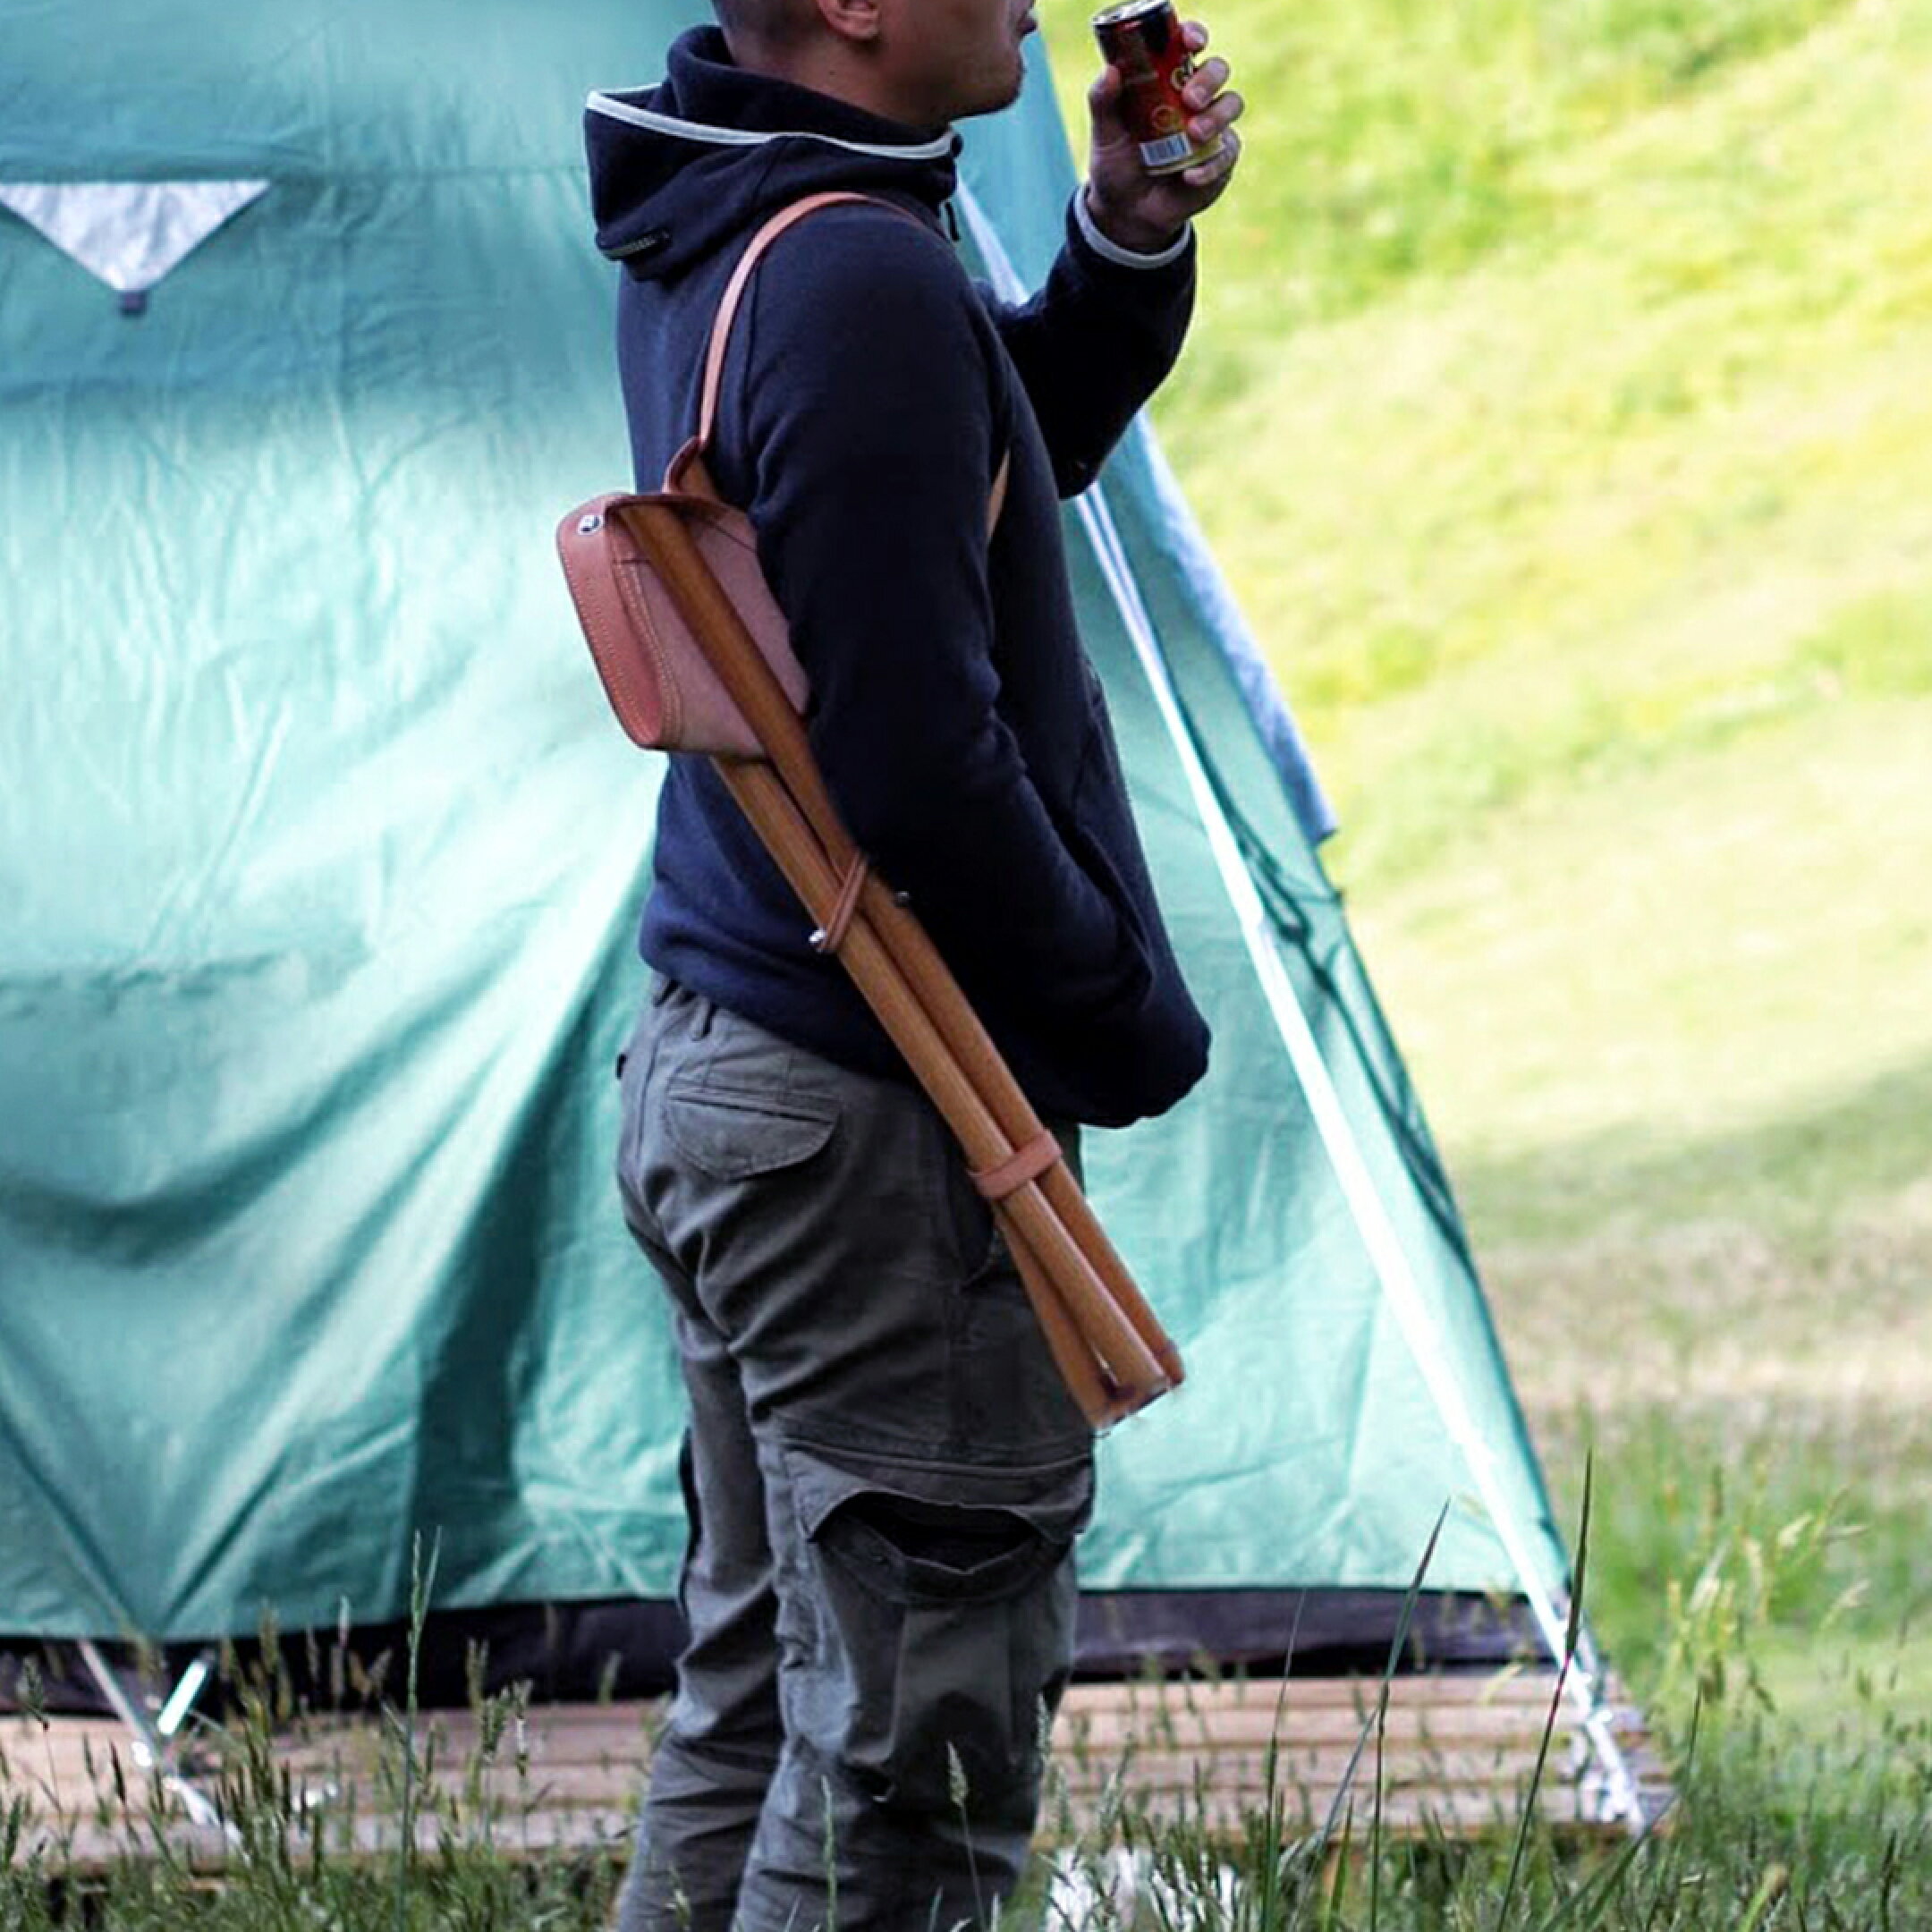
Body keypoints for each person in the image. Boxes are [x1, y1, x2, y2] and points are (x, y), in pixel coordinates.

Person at [587, 1, 1241, 1924]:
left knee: (760, 1707)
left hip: (741, 1068)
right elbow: (916, 763)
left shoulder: (758, 213)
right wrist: (1121, 1013)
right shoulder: (853, 269)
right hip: (871, 1121)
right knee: (906, 1785)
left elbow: (967, 471)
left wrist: (1120, 245)